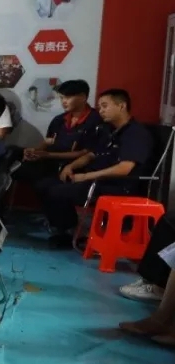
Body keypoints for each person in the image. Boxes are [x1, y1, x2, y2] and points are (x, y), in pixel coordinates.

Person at [33, 89, 153, 246]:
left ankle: (70, 233)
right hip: (94, 178)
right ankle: (66, 228)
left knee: (58, 192)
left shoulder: (135, 134)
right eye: (99, 107)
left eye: (105, 106)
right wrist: (71, 166)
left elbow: (124, 168)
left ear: (121, 106)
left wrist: (86, 177)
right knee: (44, 184)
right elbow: (91, 154)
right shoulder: (108, 130)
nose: (100, 111)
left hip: (116, 185)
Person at [17, 79, 105, 183]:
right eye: (62, 97)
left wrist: (47, 155)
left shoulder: (96, 121)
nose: (63, 101)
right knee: (15, 156)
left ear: (83, 97)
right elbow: (48, 143)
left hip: (74, 167)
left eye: (68, 97)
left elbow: (86, 153)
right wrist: (35, 151)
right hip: (50, 162)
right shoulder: (58, 120)